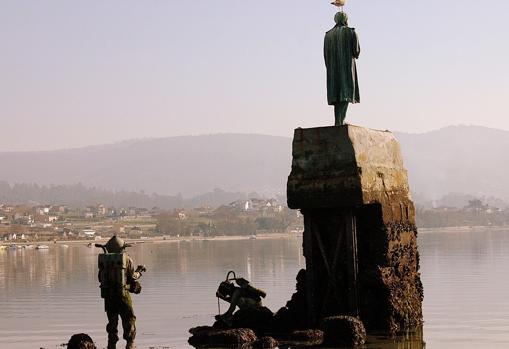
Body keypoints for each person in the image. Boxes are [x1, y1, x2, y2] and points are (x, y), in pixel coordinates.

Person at [98, 236, 145, 349]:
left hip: (108, 296)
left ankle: (111, 343)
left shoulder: (104, 260)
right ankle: (130, 343)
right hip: (123, 295)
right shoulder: (127, 259)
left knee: (112, 321)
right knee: (129, 319)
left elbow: (100, 278)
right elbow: (132, 277)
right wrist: (139, 271)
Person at [324, 11, 360, 126]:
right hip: (346, 68)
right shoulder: (351, 32)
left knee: (336, 95)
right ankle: (341, 120)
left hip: (332, 70)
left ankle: (337, 121)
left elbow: (325, 54)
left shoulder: (328, 35)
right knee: (345, 93)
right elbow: (356, 51)